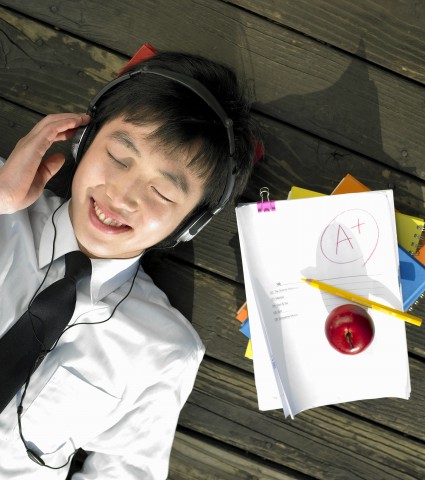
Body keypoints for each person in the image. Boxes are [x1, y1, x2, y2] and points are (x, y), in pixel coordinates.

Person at [0, 51, 257, 479]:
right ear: (84, 140)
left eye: (164, 192)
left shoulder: (165, 352)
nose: (123, 196)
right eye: (120, 157)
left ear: (190, 224)